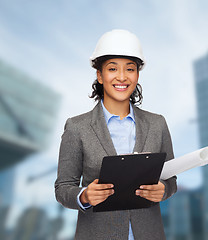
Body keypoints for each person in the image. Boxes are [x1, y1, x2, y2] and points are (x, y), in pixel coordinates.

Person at [55, 29, 177, 240]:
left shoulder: (158, 124)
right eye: (112, 69)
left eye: (130, 69)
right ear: (100, 76)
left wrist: (164, 190)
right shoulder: (77, 127)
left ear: (137, 75)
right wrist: (84, 196)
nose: (122, 77)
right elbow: (63, 188)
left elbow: (171, 179)